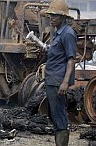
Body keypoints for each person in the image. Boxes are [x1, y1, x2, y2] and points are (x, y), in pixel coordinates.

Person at [44, 0, 77, 146]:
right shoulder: (58, 33)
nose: (52, 18)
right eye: (50, 15)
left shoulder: (68, 34)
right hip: (52, 79)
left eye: (55, 16)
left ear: (63, 17)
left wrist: (65, 82)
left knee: (59, 117)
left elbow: (71, 60)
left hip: (58, 82)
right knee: (54, 115)